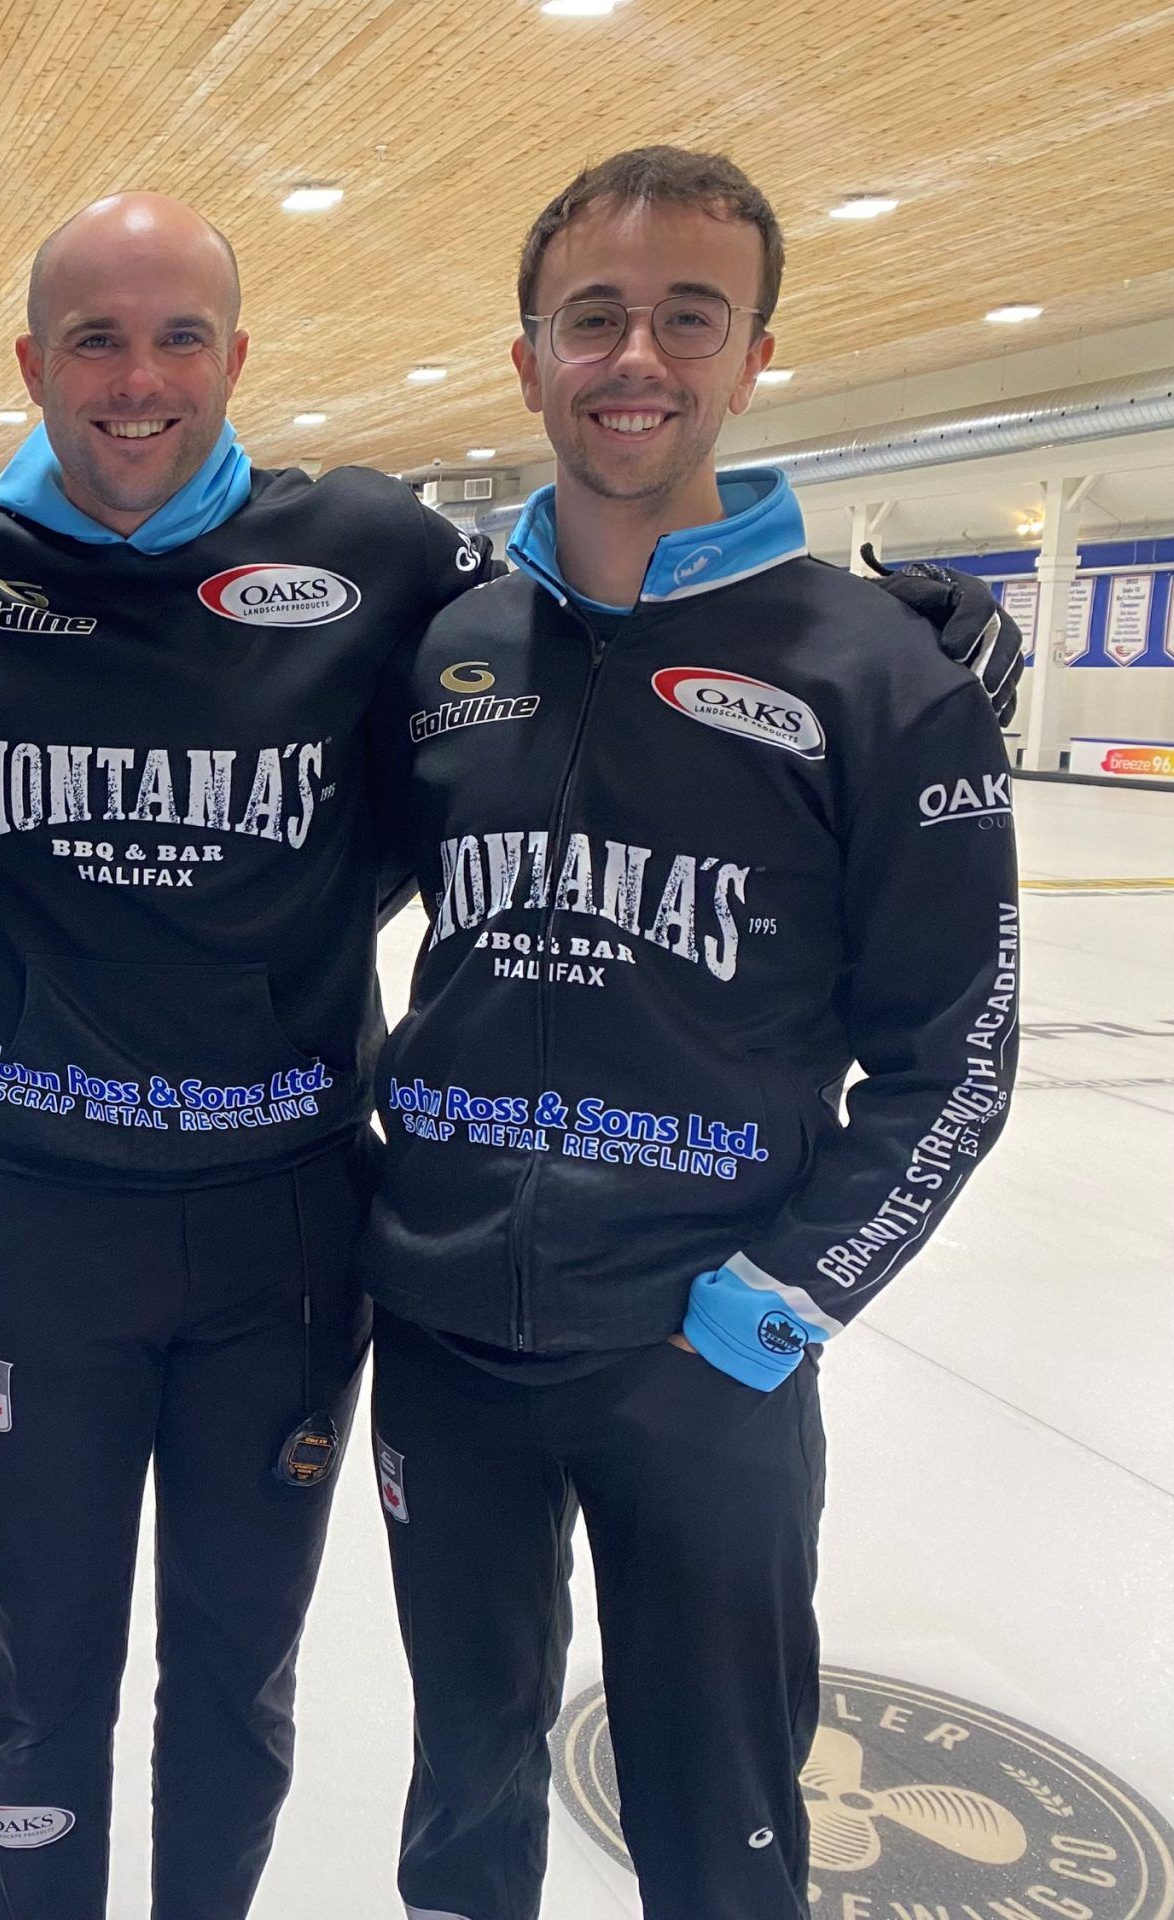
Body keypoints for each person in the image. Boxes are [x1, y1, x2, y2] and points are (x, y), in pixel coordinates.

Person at [0, 189, 1018, 1920]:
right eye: (97, 338)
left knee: (297, 1692)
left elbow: (943, 1038)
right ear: (33, 364)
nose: (140, 378)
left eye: (182, 336)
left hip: (382, 1262)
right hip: (181, 1260)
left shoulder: (387, 565)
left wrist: (903, 666)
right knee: (229, 1723)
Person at [359, 146, 1020, 1920]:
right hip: (440, 1335)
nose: (635, 354)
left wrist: (788, 1296)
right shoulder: (453, 651)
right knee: (462, 1788)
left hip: (700, 1358)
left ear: (752, 357)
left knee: (721, 1833)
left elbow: (956, 1055)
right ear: (528, 361)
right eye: (595, 316)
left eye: (686, 317)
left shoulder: (877, 676)